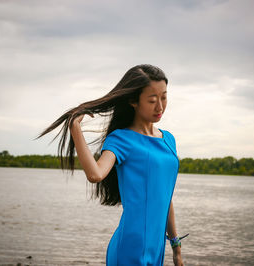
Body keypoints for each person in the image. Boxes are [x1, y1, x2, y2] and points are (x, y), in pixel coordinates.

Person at [37, 64, 184, 265]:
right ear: (133, 101)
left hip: (157, 248)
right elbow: (95, 174)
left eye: (164, 97)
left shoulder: (169, 139)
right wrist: (75, 128)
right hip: (130, 247)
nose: (160, 106)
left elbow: (166, 196)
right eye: (152, 100)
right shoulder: (121, 139)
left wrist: (176, 246)